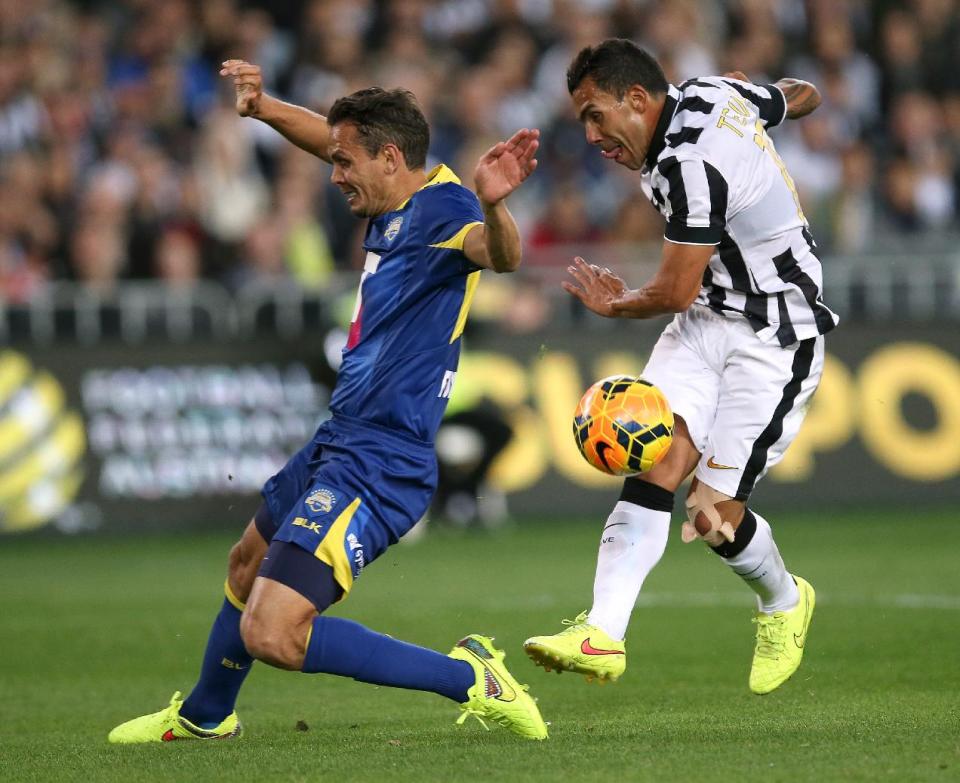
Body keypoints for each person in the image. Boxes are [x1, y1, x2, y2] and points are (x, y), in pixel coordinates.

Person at [108, 60, 547, 743]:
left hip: (382, 459)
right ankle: (206, 714)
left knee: (272, 632)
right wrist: (261, 108)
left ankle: (470, 677)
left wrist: (494, 202)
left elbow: (501, 254)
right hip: (340, 438)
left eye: (345, 163)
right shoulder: (393, 191)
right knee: (244, 563)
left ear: (391, 157)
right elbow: (329, 138)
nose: (333, 173)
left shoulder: (449, 209)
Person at [524, 39, 836, 695]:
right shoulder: (712, 92)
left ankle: (783, 600)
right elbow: (791, 94)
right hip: (707, 321)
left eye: (594, 115)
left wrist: (616, 304)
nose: (590, 136)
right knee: (654, 457)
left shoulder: (691, 164)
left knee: (712, 514)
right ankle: (602, 635)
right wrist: (791, 101)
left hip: (774, 334)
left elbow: (672, 290)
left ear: (638, 99)